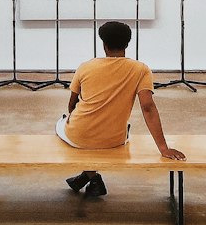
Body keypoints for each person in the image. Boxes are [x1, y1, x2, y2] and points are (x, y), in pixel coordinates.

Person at [56, 19, 185, 197]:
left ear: (104, 45)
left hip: (78, 136)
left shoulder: (85, 67)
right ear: (127, 43)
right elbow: (148, 107)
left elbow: (71, 105)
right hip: (114, 139)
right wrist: (164, 148)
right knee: (122, 130)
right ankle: (89, 178)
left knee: (61, 122)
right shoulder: (140, 69)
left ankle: (91, 177)